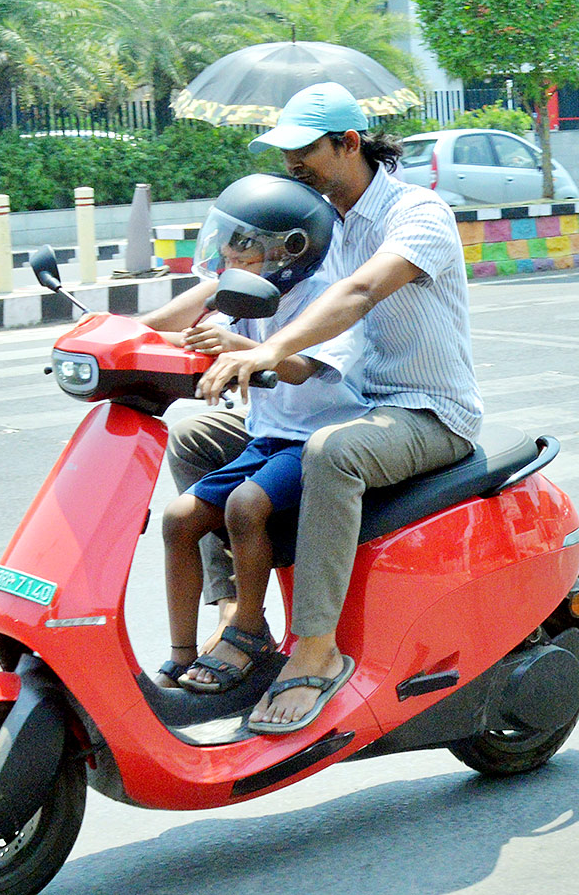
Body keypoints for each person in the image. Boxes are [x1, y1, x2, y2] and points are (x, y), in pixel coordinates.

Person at [171, 82, 483, 733]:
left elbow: (363, 291)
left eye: (303, 150)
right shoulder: (327, 225)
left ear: (347, 144)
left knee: (329, 451)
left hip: (426, 411)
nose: (291, 164)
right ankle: (237, 617)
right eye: (284, 151)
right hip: (352, 398)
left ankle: (315, 648)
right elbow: (235, 289)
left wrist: (265, 351)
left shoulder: (415, 214)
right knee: (199, 439)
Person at [146, 174, 360, 691]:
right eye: (227, 238)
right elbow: (178, 332)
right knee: (177, 520)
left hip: (315, 440)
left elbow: (303, 367)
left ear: (289, 250)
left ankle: (246, 631)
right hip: (268, 437)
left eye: (244, 243)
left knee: (245, 506)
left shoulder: (323, 298)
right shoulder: (247, 294)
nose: (228, 251)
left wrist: (240, 350)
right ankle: (180, 654)